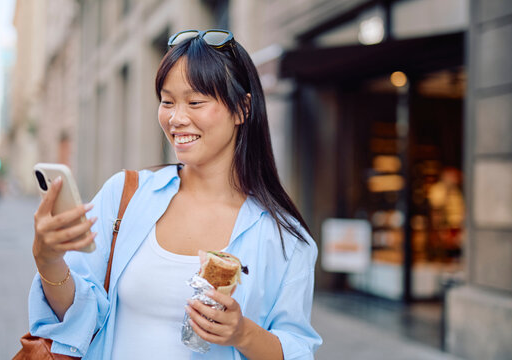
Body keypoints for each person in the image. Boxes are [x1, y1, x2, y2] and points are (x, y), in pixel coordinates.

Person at [29, 29, 321, 359]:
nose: (177, 119)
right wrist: (48, 259)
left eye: (195, 102)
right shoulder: (124, 196)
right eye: (167, 102)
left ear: (242, 108)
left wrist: (244, 333)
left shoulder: (286, 238)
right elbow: (79, 315)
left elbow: (296, 349)